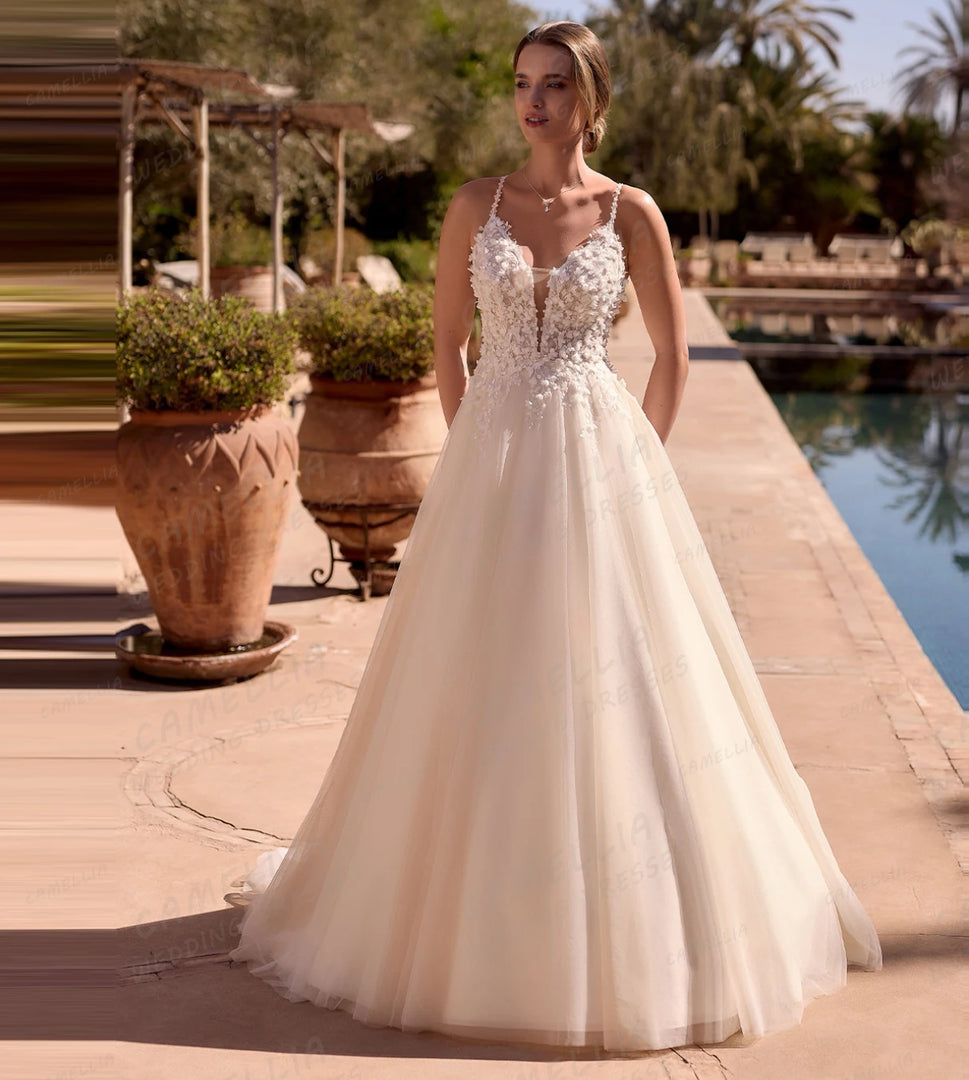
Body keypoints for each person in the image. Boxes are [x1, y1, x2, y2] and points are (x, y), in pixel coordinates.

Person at [227, 19, 883, 1053]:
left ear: (592, 98)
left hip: (601, 464)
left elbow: (673, 357)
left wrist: (641, 464)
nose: (533, 103)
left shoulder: (633, 214)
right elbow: (447, 340)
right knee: (479, 675)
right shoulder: (472, 207)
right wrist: (474, 431)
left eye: (555, 85)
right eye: (524, 84)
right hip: (494, 465)